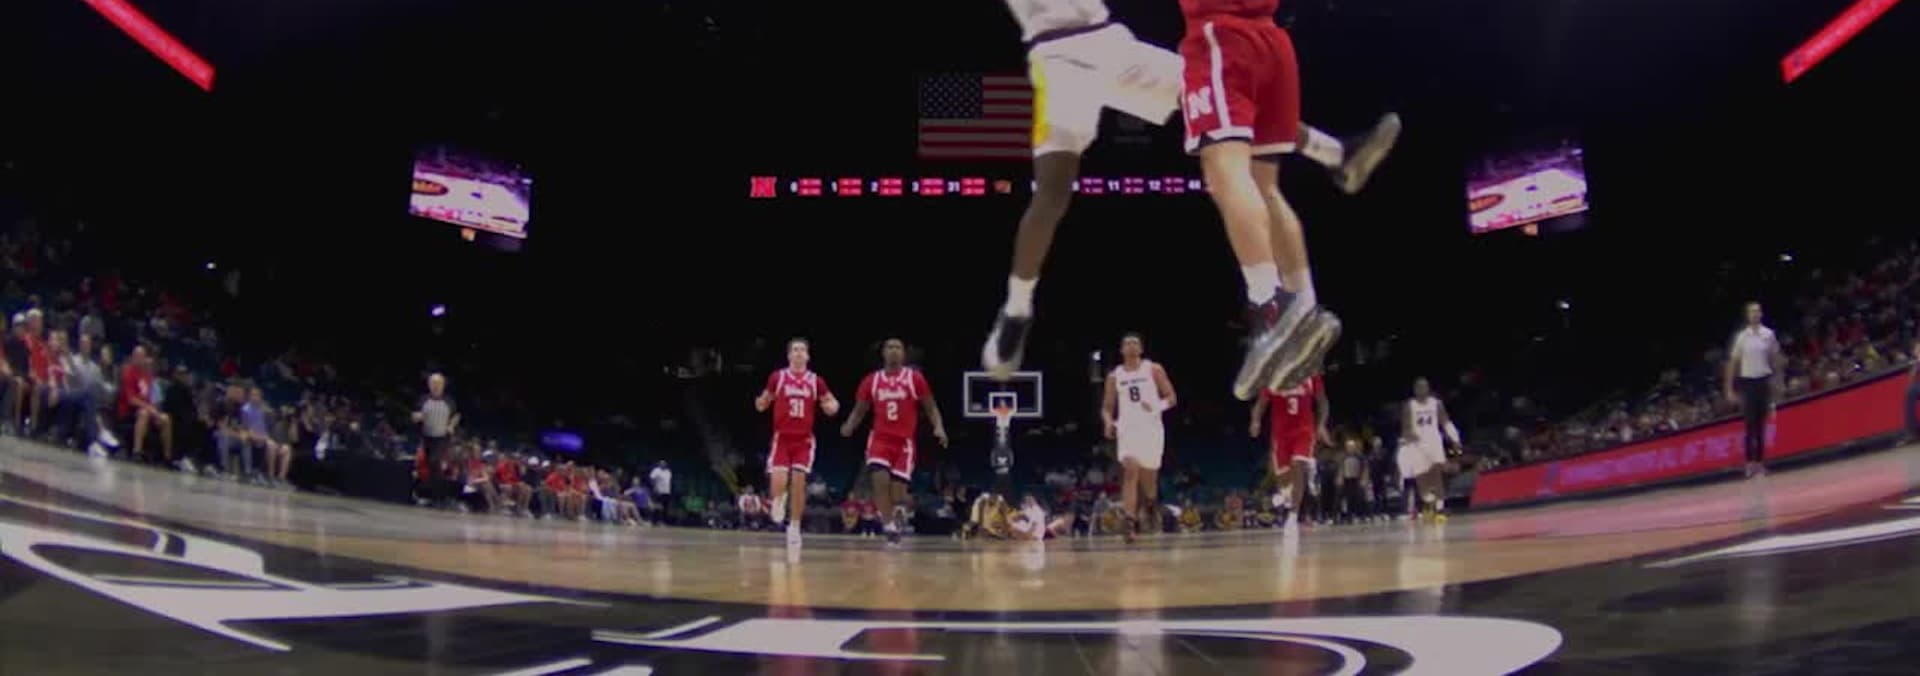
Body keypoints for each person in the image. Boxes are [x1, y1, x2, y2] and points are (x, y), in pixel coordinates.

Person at [980, 0, 1401, 379]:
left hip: (1110, 41)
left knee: (1221, 97)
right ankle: (1017, 310)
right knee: (1052, 191)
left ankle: (1337, 154)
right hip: (1056, 58)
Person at [1178, 0, 1347, 401]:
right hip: (1273, 42)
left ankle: (1270, 304)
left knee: (1224, 170)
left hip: (1222, 36)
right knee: (1264, 185)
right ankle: (1304, 304)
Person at [840, 338, 950, 546]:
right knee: (879, 481)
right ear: (883, 353)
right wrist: (849, 425)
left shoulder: (914, 379)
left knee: (898, 493)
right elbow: (860, 409)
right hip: (880, 440)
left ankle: (898, 513)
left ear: (904, 353)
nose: (893, 350)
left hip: (904, 443)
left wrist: (939, 427)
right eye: (889, 347)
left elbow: (931, 407)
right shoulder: (872, 380)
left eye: (898, 347)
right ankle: (888, 525)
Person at [754, 338, 840, 547]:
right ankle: (778, 500)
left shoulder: (815, 381)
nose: (799, 352)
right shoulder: (778, 377)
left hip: (804, 440)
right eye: (795, 349)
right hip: (782, 438)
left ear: (808, 356)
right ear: (789, 355)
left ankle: (794, 526)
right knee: (778, 480)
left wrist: (832, 407)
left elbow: (831, 402)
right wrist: (760, 403)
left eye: (802, 350)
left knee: (799, 482)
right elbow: (764, 400)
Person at [1100, 333, 1176, 543]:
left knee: (1149, 480)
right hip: (1127, 429)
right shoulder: (1115, 376)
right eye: (1127, 343)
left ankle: (1150, 505)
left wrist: (1156, 406)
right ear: (1121, 350)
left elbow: (1171, 397)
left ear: (1141, 349)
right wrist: (1108, 422)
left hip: (1151, 429)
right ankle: (1129, 521)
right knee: (1130, 471)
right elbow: (1107, 407)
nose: (1131, 345)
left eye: (1135, 343)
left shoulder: (1153, 369)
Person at [1249, 373, 1327, 531]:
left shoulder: (1311, 375)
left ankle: (1293, 516)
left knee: (1297, 464)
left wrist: (1321, 424)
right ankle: (1287, 494)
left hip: (1304, 431)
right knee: (1284, 482)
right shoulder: (1273, 377)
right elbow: (1261, 404)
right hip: (1281, 435)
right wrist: (1256, 421)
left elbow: (1322, 401)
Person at [1724, 301, 1784, 479]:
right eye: (1751, 312)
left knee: (1761, 426)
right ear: (1747, 315)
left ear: (1761, 314)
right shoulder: (1742, 337)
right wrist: (1729, 388)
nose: (1755, 314)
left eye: (1757, 311)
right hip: (1748, 383)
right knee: (1750, 425)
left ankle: (1760, 463)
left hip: (1763, 382)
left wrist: (1778, 381)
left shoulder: (1768, 334)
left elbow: (1775, 358)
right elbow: (1733, 363)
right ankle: (1749, 463)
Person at [1397, 378, 1460, 522]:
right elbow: (1405, 428)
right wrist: (1409, 435)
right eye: (1418, 387)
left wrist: (1455, 438)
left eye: (1424, 386)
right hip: (1417, 446)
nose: (1422, 389)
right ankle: (1429, 502)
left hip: (1433, 443)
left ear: (1428, 388)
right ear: (1414, 390)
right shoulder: (1409, 405)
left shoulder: (1436, 403)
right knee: (1422, 480)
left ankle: (1440, 508)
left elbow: (1446, 422)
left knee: (1436, 475)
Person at [117, 345, 177, 467]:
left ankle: (167, 457)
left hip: (147, 409)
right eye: (137, 356)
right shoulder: (128, 373)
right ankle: (137, 452)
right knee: (143, 413)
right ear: (133, 357)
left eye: (141, 356)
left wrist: (154, 411)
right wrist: (148, 408)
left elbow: (149, 398)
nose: (139, 359)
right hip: (129, 411)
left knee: (165, 419)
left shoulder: (147, 376)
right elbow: (131, 399)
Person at [1906, 338, 1920, 442]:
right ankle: (1913, 431)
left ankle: (1913, 431)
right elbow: (1911, 378)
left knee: (1912, 390)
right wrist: (1916, 363)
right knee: (1911, 391)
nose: (1916, 351)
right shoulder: (1916, 362)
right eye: (1916, 349)